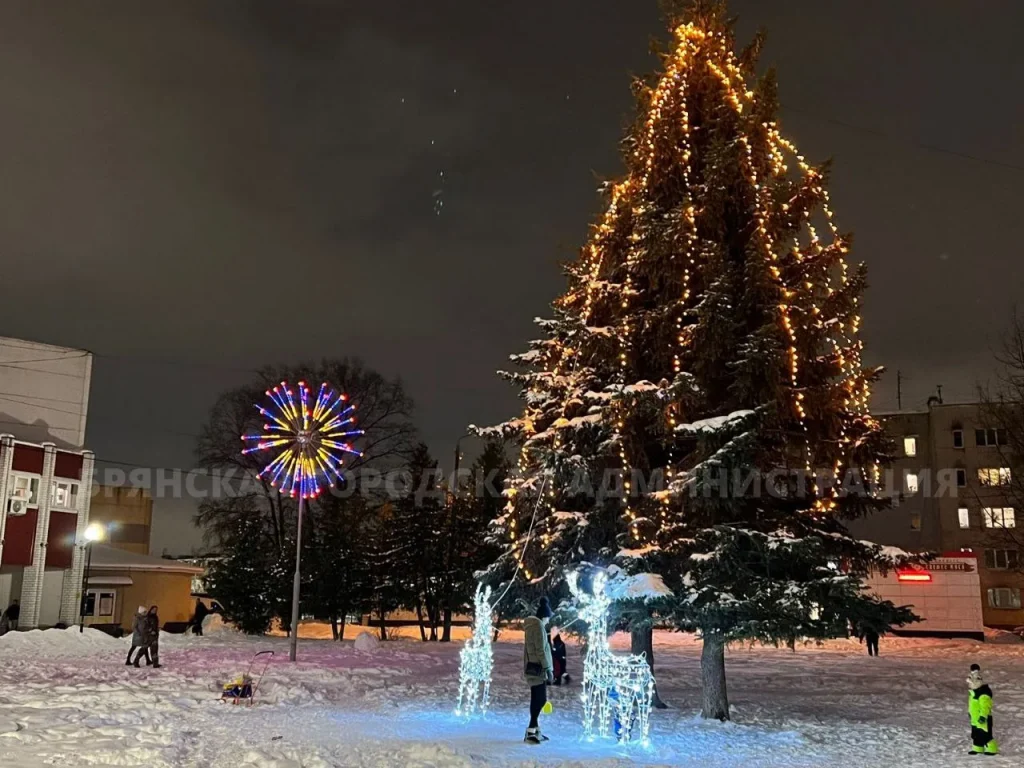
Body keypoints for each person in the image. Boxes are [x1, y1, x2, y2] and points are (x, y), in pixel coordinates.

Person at [523, 596, 554, 745]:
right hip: (538, 668)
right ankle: (531, 730)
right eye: (548, 617)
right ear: (544, 616)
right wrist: (548, 669)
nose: (548, 621)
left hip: (533, 666)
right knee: (540, 699)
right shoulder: (537, 627)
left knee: (537, 698)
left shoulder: (533, 626)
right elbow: (540, 649)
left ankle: (533, 731)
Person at [967, 664, 998, 755]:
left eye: (970, 683)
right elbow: (972, 705)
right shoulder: (973, 693)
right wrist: (970, 712)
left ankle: (992, 748)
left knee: (985, 734)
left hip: (983, 719)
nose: (969, 684)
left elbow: (985, 707)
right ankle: (978, 748)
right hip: (975, 718)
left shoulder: (983, 694)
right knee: (976, 734)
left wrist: (983, 716)